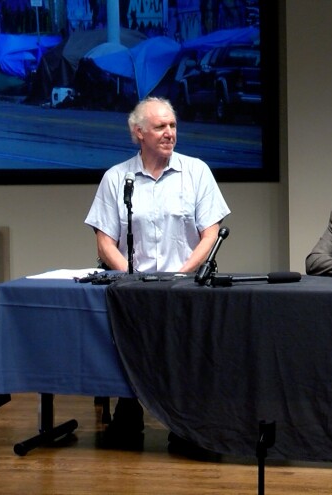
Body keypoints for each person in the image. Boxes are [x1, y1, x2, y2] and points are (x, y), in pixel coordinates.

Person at [84, 96, 230, 444]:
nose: (169, 133)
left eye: (173, 126)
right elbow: (104, 241)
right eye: (160, 127)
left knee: (184, 353)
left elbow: (211, 233)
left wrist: (183, 274)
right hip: (131, 288)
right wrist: (132, 279)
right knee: (132, 343)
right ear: (139, 133)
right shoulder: (116, 178)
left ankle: (184, 421)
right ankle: (129, 408)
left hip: (185, 284)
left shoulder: (196, 172)